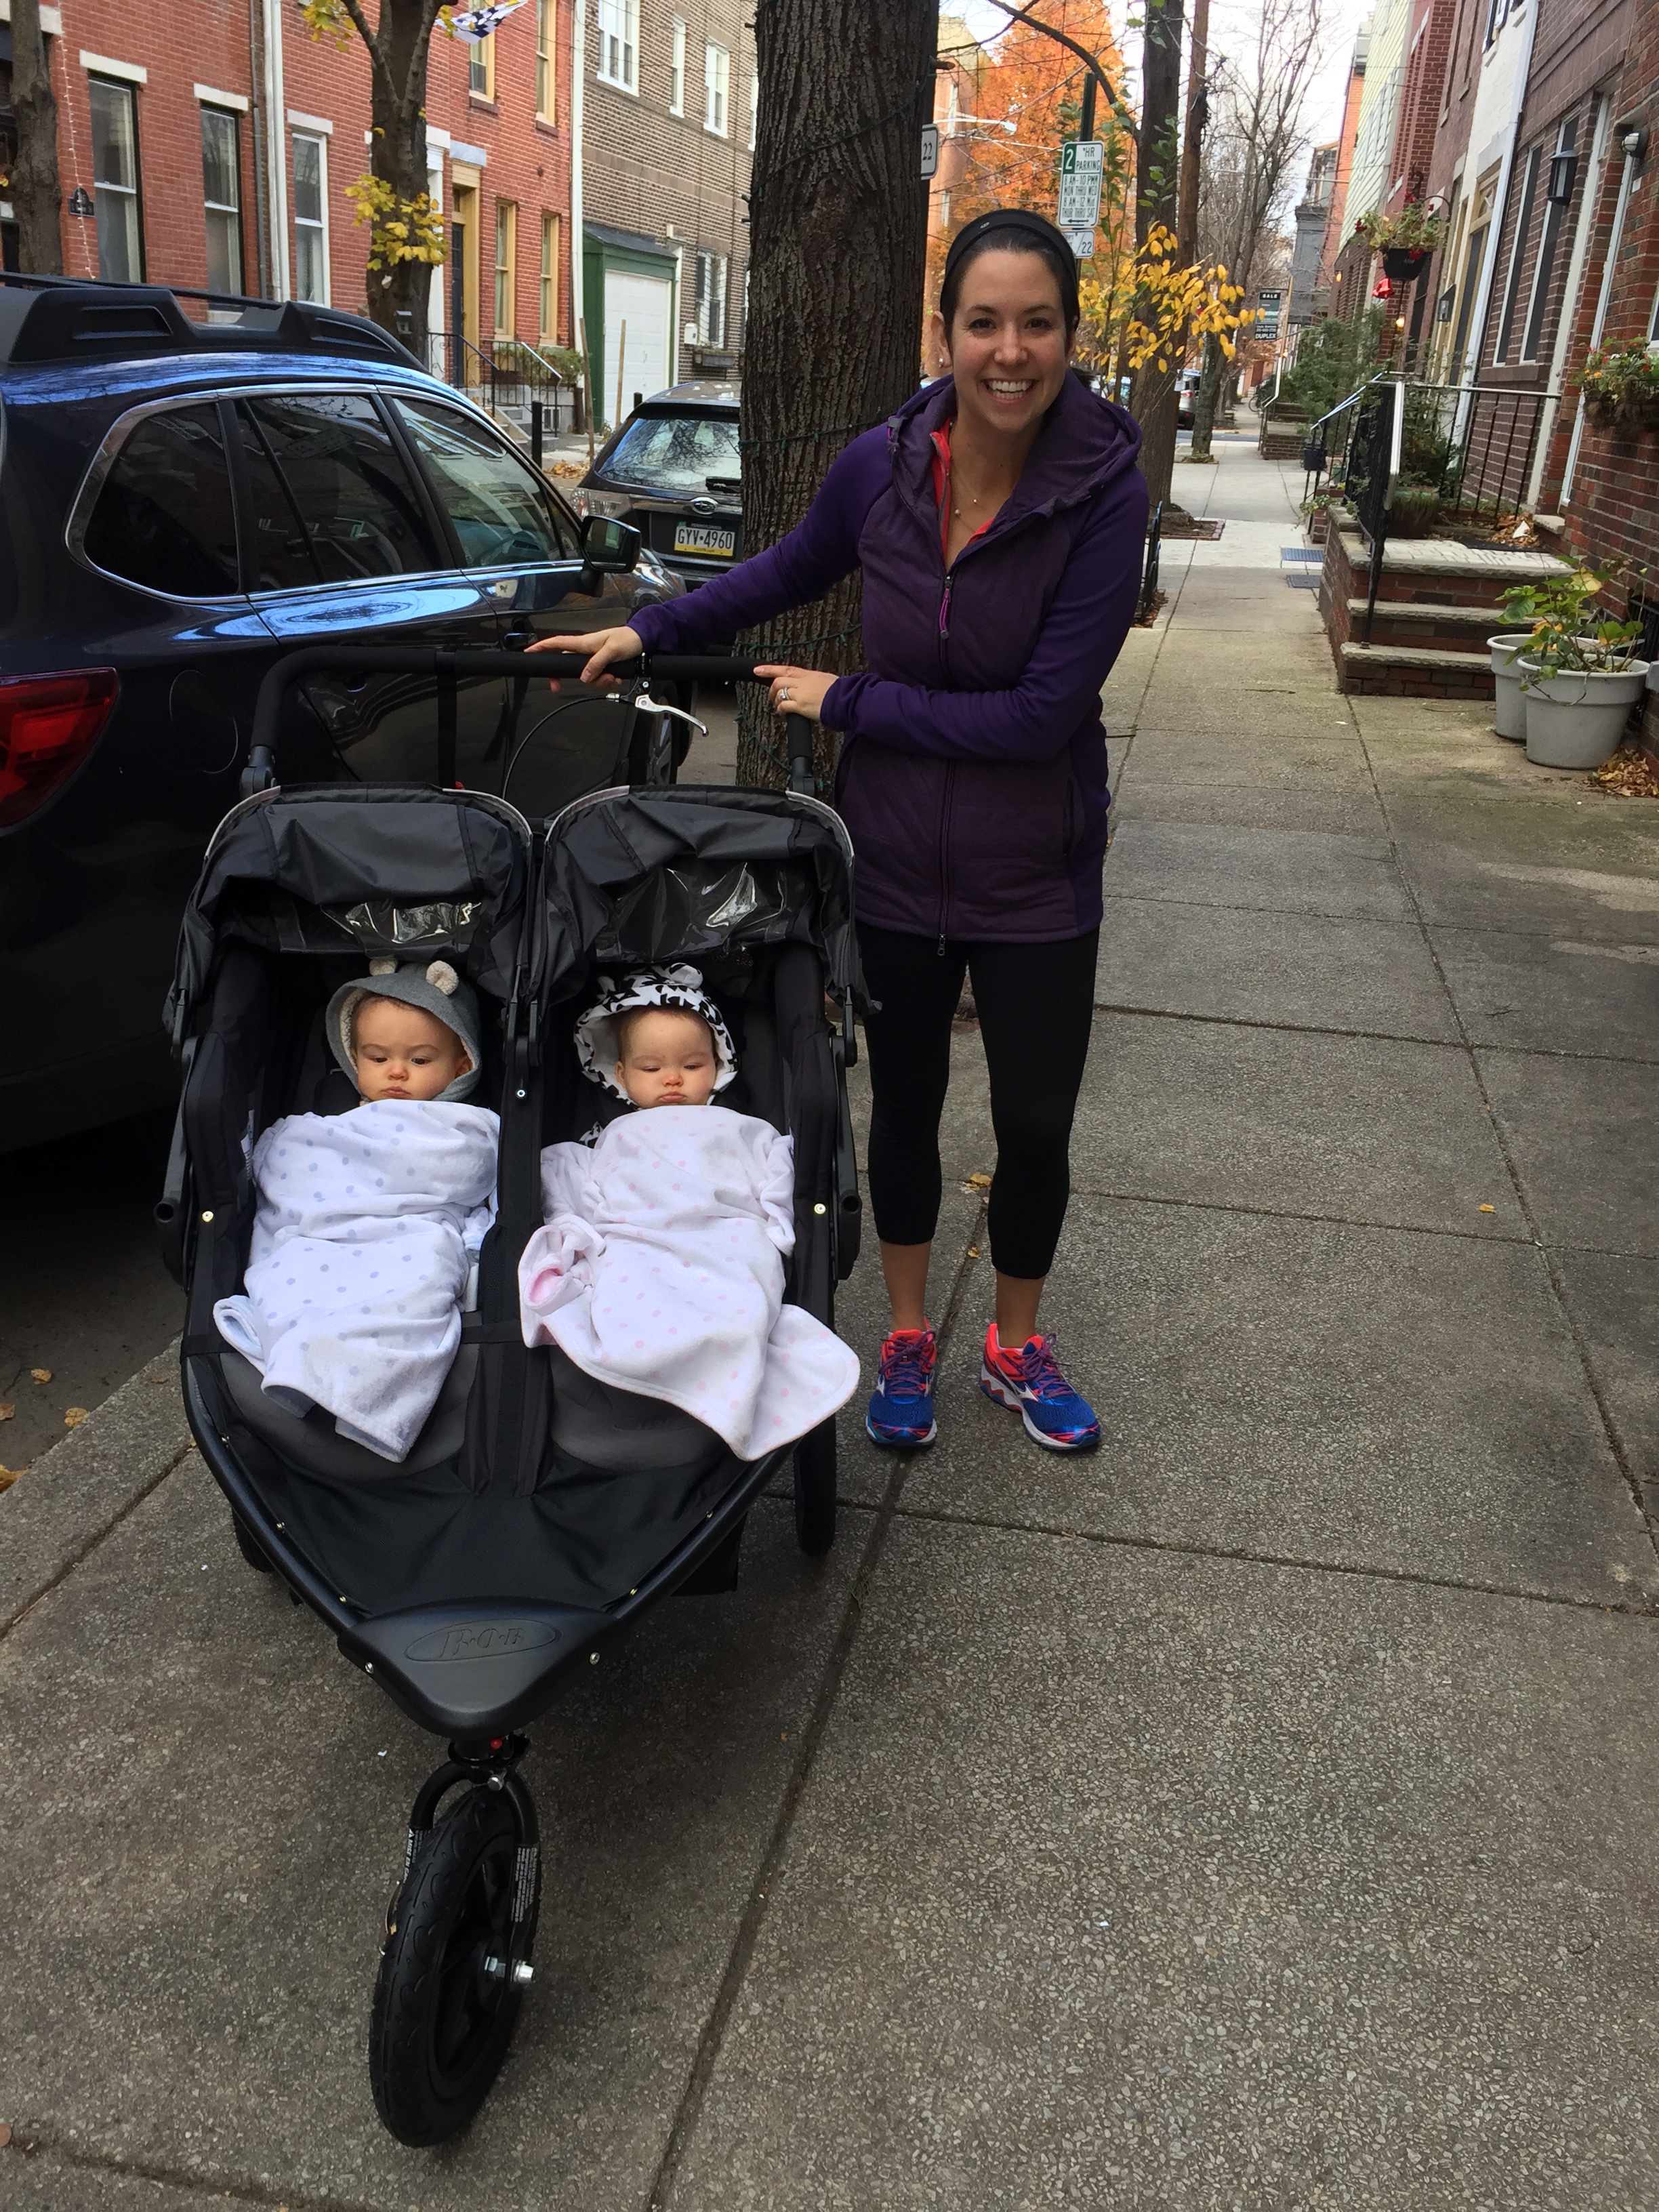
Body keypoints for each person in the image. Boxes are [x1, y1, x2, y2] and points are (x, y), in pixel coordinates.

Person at [531, 207, 1147, 1456]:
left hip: (1035, 869)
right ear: (946, 332)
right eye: (984, 322)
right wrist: (649, 630)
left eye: (1037, 324)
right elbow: (782, 571)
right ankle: (907, 1333)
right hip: (898, 859)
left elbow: (1040, 717)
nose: (1010, 351)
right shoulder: (884, 463)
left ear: (1069, 337)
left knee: (1035, 1122)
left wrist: (850, 700)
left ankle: (1015, 1343)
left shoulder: (1103, 490)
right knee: (904, 1105)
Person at [518, 966, 860, 1460]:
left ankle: (715, 1356)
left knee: (741, 1299)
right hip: (640, 1238)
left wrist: (780, 1231)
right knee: (623, 1290)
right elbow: (571, 1183)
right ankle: (662, 1360)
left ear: (719, 1065)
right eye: (651, 1068)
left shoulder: (742, 1128)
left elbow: (780, 1177)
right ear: (621, 1075)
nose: (673, 1078)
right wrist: (578, 1233)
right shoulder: (611, 1137)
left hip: (725, 1238)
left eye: (693, 1065)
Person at [213, 959, 498, 1462]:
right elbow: (289, 1172)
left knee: (423, 1270)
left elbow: (478, 1183)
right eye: (377, 1056)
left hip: (412, 1236)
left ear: (462, 1065)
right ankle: (310, 1356)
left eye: (420, 1059)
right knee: (299, 1268)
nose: (396, 1071)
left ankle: (359, 1384)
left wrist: (473, 1244)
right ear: (352, 1056)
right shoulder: (326, 1130)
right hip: (326, 1236)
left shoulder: (465, 1129)